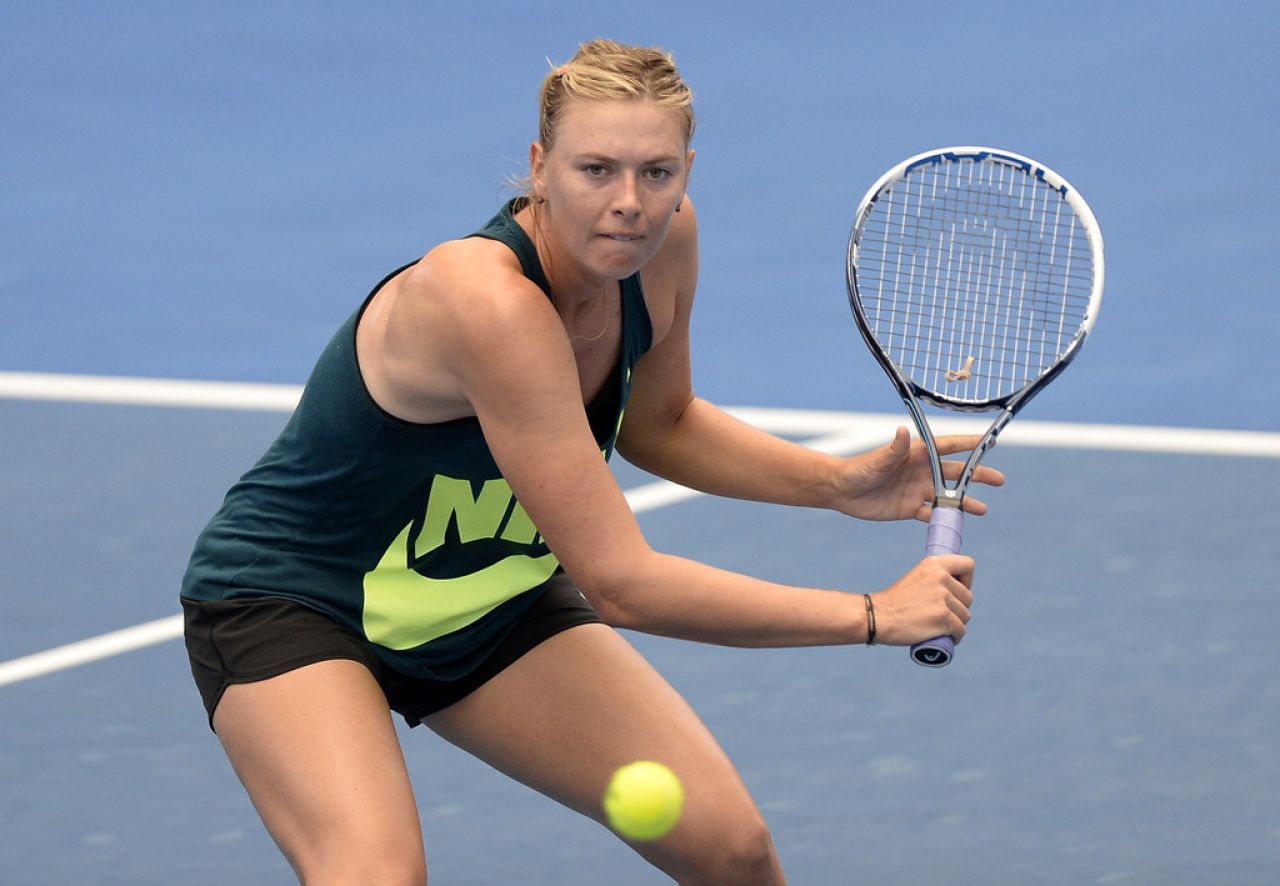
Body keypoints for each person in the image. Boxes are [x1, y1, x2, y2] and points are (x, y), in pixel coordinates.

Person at [180, 38, 1003, 885]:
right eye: (596, 169)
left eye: (656, 172)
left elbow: (663, 423)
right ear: (540, 167)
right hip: (296, 598)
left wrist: (834, 484)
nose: (629, 204)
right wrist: (873, 613)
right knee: (376, 874)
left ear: (688, 170)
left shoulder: (666, 245)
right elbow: (622, 585)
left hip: (481, 597)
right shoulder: (487, 303)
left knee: (734, 851)